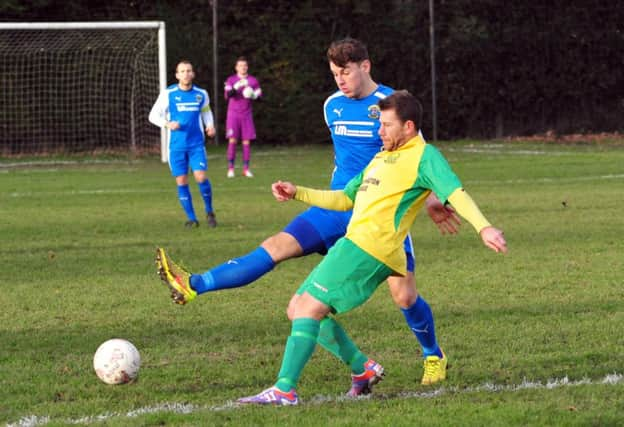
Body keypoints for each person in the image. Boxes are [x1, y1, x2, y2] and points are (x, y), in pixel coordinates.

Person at [155, 38, 459, 393]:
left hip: (379, 218)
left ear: (366, 66)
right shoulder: (332, 106)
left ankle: (432, 354)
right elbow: (344, 160)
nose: (340, 80)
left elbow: (420, 159)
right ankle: (194, 285)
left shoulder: (392, 106)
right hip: (335, 208)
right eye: (334, 74)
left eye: (346, 72)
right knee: (275, 249)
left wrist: (434, 199)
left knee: (404, 297)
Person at [236, 90, 508, 405]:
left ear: (408, 127)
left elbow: (455, 192)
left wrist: (483, 225)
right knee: (297, 308)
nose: (379, 131)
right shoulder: (380, 157)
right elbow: (344, 198)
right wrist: (298, 192)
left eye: (387, 125)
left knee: (309, 308)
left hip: (372, 249)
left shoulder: (424, 156)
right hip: (352, 243)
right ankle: (362, 370)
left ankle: (285, 390)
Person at [149, 60, 217, 228]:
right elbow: (153, 116)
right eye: (182, 71)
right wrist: (167, 124)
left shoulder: (201, 94)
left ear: (192, 74)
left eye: (188, 70)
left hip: (196, 145)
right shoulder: (169, 93)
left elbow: (206, 112)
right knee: (182, 181)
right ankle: (192, 218)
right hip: (176, 146)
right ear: (177, 75)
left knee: (201, 176)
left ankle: (209, 211)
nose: (186, 74)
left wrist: (210, 125)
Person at [224, 56, 262, 178]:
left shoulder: (253, 80)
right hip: (233, 114)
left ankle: (246, 169)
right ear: (236, 67)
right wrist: (237, 86)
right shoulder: (231, 80)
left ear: (247, 67)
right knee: (233, 140)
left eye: (245, 65)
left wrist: (253, 95)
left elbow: (259, 96)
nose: (243, 68)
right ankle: (231, 169)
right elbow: (228, 95)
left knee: (246, 141)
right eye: (240, 66)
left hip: (246, 114)